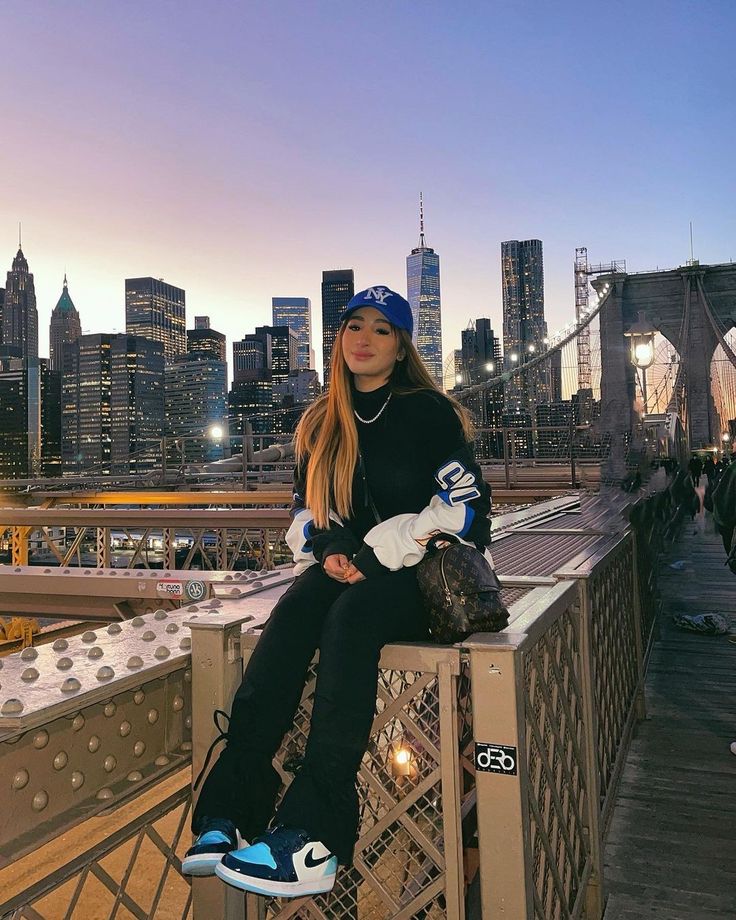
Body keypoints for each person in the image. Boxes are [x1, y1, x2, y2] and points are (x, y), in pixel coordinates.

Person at [182, 285, 492, 898]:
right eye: (355, 326)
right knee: (293, 615)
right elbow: (307, 512)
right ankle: (231, 810)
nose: (364, 339)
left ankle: (313, 836)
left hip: (418, 577)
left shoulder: (429, 413)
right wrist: (332, 551)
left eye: (382, 329)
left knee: (350, 619)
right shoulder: (321, 422)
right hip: (349, 570)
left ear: (401, 346)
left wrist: (378, 552)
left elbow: (468, 511)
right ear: (339, 338)